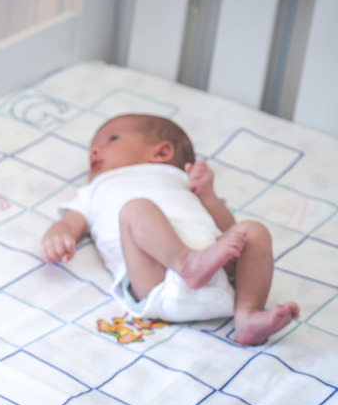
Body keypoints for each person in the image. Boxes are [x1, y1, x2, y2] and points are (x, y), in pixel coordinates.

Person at [40, 114, 298, 346]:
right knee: (135, 209)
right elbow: (68, 223)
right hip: (152, 280)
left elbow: (228, 230)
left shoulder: (184, 180)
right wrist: (57, 236)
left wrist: (208, 195)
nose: (94, 151)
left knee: (254, 230)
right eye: (92, 150)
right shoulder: (95, 190)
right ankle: (186, 263)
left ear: (162, 153)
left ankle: (247, 315)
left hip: (217, 271)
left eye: (112, 139)